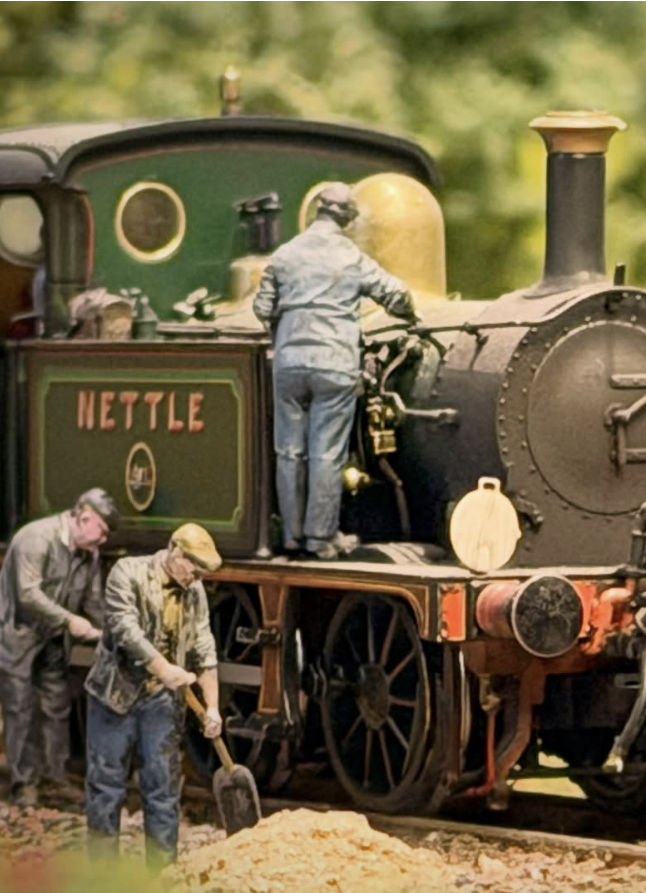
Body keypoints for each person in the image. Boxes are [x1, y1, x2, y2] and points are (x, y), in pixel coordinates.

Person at [253, 181, 419, 559]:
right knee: (326, 452)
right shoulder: (352, 258)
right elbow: (396, 294)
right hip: (335, 363)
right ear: (346, 218)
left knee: (289, 450)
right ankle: (320, 537)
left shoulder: (284, 255)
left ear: (317, 212)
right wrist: (411, 315)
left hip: (290, 364)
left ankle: (292, 535)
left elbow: (262, 309)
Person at [84, 523, 223, 871]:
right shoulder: (127, 573)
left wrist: (213, 708)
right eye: (193, 565)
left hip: (160, 703)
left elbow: (204, 648)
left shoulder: (195, 591)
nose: (197, 575)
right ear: (175, 552)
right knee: (106, 788)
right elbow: (124, 629)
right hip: (114, 697)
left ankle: (163, 875)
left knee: (163, 791)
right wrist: (164, 669)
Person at [0, 488, 119, 808]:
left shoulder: (88, 553)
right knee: (20, 708)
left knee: (57, 705)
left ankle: (55, 777)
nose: (103, 540)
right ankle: (24, 783)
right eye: (102, 531)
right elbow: (28, 594)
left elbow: (94, 601)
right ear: (84, 518)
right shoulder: (35, 539)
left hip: (53, 639)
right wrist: (70, 621)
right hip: (18, 635)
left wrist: (113, 635)